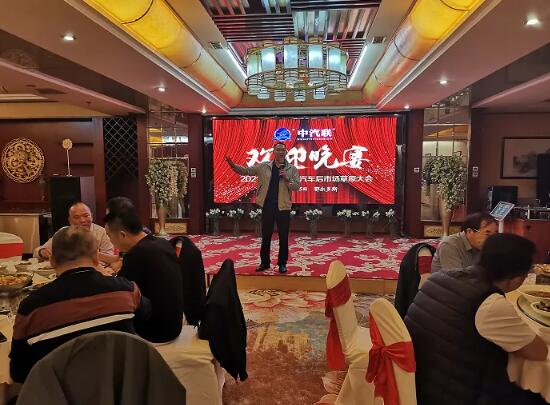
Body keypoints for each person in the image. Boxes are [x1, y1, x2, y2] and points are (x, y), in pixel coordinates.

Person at [405, 233, 548, 405]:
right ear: (517, 278)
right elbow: (539, 352)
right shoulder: (489, 303)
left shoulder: (438, 278)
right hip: (455, 396)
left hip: (418, 386)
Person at [10, 226, 149, 383]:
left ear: (52, 261)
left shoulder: (31, 307)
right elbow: (146, 318)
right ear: (96, 258)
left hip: (59, 392)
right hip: (122, 388)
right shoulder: (127, 290)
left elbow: (18, 373)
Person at [104, 203, 184, 343]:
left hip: (156, 332)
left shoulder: (137, 254)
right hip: (174, 324)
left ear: (122, 235)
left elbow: (119, 292)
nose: (110, 240)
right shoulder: (162, 243)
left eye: (109, 235)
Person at [225, 142, 300, 273]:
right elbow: (246, 171)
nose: (281, 152)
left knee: (283, 237)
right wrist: (232, 165)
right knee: (266, 236)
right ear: (274, 152)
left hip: (283, 207)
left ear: (286, 152)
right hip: (267, 206)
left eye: (283, 150)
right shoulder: (264, 166)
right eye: (278, 150)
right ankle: (265, 262)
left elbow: (297, 186)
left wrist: (287, 178)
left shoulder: (292, 169)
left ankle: (282, 263)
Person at [34, 202, 118, 266]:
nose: (82, 220)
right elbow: (36, 252)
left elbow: (109, 260)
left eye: (86, 216)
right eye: (77, 217)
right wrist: (42, 252)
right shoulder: (64, 232)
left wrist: (89, 254)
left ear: (91, 217)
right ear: (70, 220)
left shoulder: (101, 232)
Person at [431, 212, 498, 273]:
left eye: (495, 234)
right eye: (487, 233)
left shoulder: (485, 246)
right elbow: (456, 278)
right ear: (469, 231)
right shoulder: (449, 245)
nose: (492, 239)